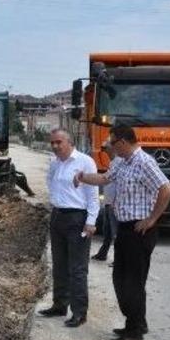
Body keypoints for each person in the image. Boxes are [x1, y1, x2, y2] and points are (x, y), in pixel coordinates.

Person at [74, 125, 170, 340]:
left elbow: (166, 190)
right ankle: (138, 322)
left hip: (141, 231)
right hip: (125, 229)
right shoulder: (122, 162)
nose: (111, 146)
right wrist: (82, 177)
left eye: (113, 142)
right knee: (122, 279)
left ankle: (134, 332)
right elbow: (104, 179)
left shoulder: (144, 162)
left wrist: (152, 219)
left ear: (124, 142)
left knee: (132, 282)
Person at [38, 128, 99, 328]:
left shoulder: (84, 162)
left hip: (77, 218)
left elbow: (92, 194)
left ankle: (79, 312)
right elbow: (50, 183)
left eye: (58, 142)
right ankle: (59, 305)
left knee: (77, 268)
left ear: (69, 142)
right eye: (52, 143)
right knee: (59, 264)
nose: (55, 146)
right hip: (58, 217)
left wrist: (91, 221)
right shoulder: (55, 163)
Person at [92, 140, 118, 262]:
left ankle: (119, 259)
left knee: (115, 233)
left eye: (106, 148)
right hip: (108, 203)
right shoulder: (112, 162)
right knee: (107, 232)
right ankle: (102, 254)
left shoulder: (119, 163)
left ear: (113, 148)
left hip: (114, 204)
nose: (104, 151)